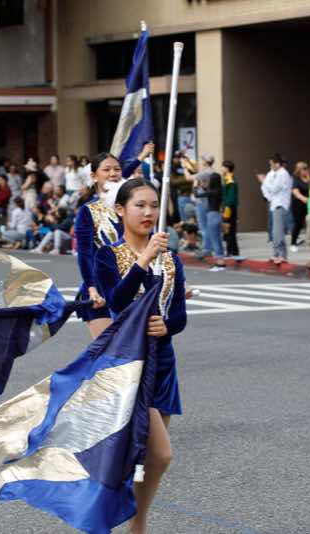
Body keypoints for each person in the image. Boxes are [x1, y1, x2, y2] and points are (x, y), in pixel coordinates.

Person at [94, 179, 186, 534]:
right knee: (162, 454)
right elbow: (117, 301)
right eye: (140, 205)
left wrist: (167, 325)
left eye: (153, 205)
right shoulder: (107, 256)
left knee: (146, 459)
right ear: (121, 210)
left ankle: (136, 522)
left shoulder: (171, 259)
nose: (149, 212)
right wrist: (144, 259)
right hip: (131, 365)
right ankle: (137, 525)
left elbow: (178, 315)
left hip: (163, 365)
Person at [73, 153, 124, 339]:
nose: (113, 173)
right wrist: (92, 288)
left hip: (133, 285)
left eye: (117, 169)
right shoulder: (88, 211)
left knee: (136, 351)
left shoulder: (133, 207)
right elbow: (85, 255)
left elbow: (152, 244)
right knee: (108, 350)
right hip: (100, 288)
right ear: (94, 176)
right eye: (107, 169)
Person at [195, 159, 226, 271]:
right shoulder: (218, 191)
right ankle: (220, 260)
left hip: (212, 215)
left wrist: (195, 186)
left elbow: (197, 195)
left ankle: (219, 262)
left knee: (215, 239)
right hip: (216, 214)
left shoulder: (212, 192)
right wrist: (203, 187)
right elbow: (207, 190)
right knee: (217, 238)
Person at [184, 154, 218, 256]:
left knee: (204, 226)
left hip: (202, 202)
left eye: (203, 159)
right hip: (207, 201)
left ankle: (207, 249)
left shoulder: (206, 172)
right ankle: (209, 248)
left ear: (206, 162)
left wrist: (184, 167)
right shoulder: (212, 172)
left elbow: (188, 178)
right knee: (207, 226)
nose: (201, 161)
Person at [261, 154, 292, 264]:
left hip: (280, 204)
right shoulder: (273, 173)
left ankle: (282, 254)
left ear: (277, 163)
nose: (270, 166)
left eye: (272, 164)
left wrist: (264, 181)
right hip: (274, 204)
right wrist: (266, 186)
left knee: (278, 231)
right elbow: (266, 188)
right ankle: (276, 253)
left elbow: (274, 188)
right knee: (275, 232)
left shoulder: (283, 173)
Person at [221, 160, 241, 259]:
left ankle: (231, 251)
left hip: (229, 208)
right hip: (228, 207)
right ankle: (234, 251)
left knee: (229, 230)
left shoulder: (230, 179)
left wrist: (226, 208)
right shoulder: (227, 178)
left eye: (223, 167)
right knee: (230, 230)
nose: (221, 169)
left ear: (227, 168)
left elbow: (230, 196)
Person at [290, 161, 310, 253]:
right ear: (299, 170)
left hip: (309, 204)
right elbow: (295, 192)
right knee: (298, 224)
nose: (306, 170)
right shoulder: (296, 179)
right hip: (298, 204)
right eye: (304, 169)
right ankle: (293, 243)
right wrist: (304, 199)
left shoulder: (309, 178)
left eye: (306, 168)